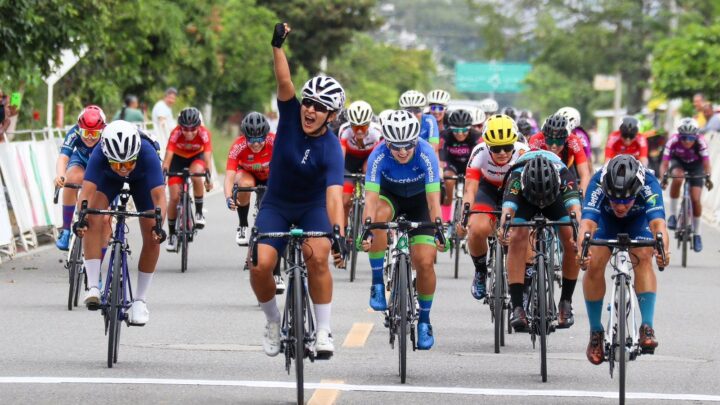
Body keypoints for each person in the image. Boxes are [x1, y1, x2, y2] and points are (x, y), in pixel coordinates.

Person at [253, 22, 345, 358]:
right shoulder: (291, 114)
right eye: (309, 102)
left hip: (312, 207)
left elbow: (334, 194)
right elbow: (284, 81)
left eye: (320, 107)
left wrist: (337, 233)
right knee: (260, 264)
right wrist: (277, 45)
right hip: (276, 204)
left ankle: (323, 331)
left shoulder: (333, 148)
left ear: (331, 116)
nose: (310, 109)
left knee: (317, 255)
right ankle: (273, 322)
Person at [360, 109, 444, 350]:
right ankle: (377, 282)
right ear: (387, 142)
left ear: (415, 140)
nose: (403, 151)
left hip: (420, 202)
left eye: (408, 145)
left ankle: (425, 320)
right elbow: (371, 200)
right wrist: (366, 229)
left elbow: (433, 201)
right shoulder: (378, 156)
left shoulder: (426, 153)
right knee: (377, 219)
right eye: (396, 146)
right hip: (390, 198)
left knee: (425, 262)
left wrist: (438, 228)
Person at [578, 155, 670, 365]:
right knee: (594, 262)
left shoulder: (649, 183)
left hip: (638, 222)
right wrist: (582, 250)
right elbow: (586, 226)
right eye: (614, 199)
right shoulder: (597, 182)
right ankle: (596, 332)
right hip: (605, 221)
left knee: (645, 255)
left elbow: (658, 226)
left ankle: (647, 325)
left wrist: (663, 251)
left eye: (626, 199)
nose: (620, 205)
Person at [77, 120, 167, 326]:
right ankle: (93, 285)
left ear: (136, 154)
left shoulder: (147, 153)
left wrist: (160, 226)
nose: (124, 169)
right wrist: (80, 218)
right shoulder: (100, 153)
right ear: (108, 156)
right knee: (91, 217)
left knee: (152, 235)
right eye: (118, 164)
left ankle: (140, 301)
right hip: (108, 179)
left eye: (128, 163)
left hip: (143, 180)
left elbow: (159, 196)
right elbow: (87, 193)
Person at [499, 151, 582, 332]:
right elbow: (507, 211)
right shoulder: (516, 177)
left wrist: (579, 237)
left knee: (571, 237)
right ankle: (518, 307)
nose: (541, 203)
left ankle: (565, 302)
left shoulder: (564, 175)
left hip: (555, 199)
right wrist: (503, 229)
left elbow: (576, 213)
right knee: (516, 236)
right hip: (525, 199)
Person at [459, 114, 528, 299]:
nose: (503, 152)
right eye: (497, 148)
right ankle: (481, 271)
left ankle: (527, 281)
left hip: (514, 190)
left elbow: (528, 190)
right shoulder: (479, 152)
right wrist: (464, 215)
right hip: (488, 188)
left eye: (507, 147)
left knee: (521, 232)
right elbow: (470, 190)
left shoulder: (523, 152)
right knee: (476, 228)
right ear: (488, 145)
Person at [53, 106, 107, 250]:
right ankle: (65, 230)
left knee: (105, 217)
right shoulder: (74, 131)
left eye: (94, 133)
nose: (89, 137)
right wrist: (60, 174)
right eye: (85, 132)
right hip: (81, 161)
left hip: (103, 165)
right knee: (71, 179)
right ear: (79, 128)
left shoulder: (109, 135)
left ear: (102, 130)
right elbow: (63, 157)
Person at [658, 118, 713, 251]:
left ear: (696, 136)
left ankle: (697, 234)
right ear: (679, 136)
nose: (687, 141)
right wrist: (664, 178)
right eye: (684, 138)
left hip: (696, 165)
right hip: (679, 163)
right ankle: (672, 215)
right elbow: (664, 164)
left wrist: (708, 179)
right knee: (677, 178)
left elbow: (706, 164)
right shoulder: (673, 141)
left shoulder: (701, 142)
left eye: (690, 138)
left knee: (695, 199)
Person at [163, 107, 213, 252]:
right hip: (177, 160)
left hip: (196, 158)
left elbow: (208, 158)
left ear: (199, 126)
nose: (189, 133)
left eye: (193, 129)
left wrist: (208, 178)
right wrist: (163, 176)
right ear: (180, 127)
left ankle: (198, 212)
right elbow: (167, 159)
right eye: (185, 129)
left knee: (196, 174)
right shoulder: (175, 133)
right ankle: (172, 235)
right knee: (173, 197)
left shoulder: (204, 133)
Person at [225, 112, 275, 246]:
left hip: (269, 174)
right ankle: (242, 225)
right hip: (248, 174)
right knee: (244, 184)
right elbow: (230, 175)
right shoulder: (238, 146)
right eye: (252, 140)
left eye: (260, 139)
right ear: (245, 137)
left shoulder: (274, 141)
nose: (256, 144)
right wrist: (228, 197)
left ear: (266, 136)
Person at [338, 100, 382, 226]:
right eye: (355, 126)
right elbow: (340, 157)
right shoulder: (344, 130)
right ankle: (343, 233)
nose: (359, 131)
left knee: (372, 194)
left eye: (363, 126)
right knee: (344, 200)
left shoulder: (377, 132)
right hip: (349, 161)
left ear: (369, 123)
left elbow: (377, 156)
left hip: (368, 159)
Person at [528, 114, 591, 192]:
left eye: (559, 141)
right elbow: (528, 168)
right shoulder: (536, 139)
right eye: (550, 141)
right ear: (544, 137)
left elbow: (585, 174)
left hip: (566, 169)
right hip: (542, 171)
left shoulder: (574, 141)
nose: (554, 146)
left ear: (566, 139)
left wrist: (582, 196)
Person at [440, 109, 479, 207]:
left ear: (470, 128)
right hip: (452, 164)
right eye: (456, 130)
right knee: (448, 180)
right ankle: (448, 201)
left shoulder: (477, 136)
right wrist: (440, 166)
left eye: (464, 130)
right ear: (450, 129)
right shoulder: (445, 135)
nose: (460, 133)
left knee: (470, 188)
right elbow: (440, 156)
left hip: (469, 165)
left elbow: (480, 157)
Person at [398, 90, 440, 157]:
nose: (412, 114)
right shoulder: (397, 122)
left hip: (425, 157)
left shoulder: (429, 120)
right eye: (408, 111)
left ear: (422, 110)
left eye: (417, 110)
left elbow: (434, 146)